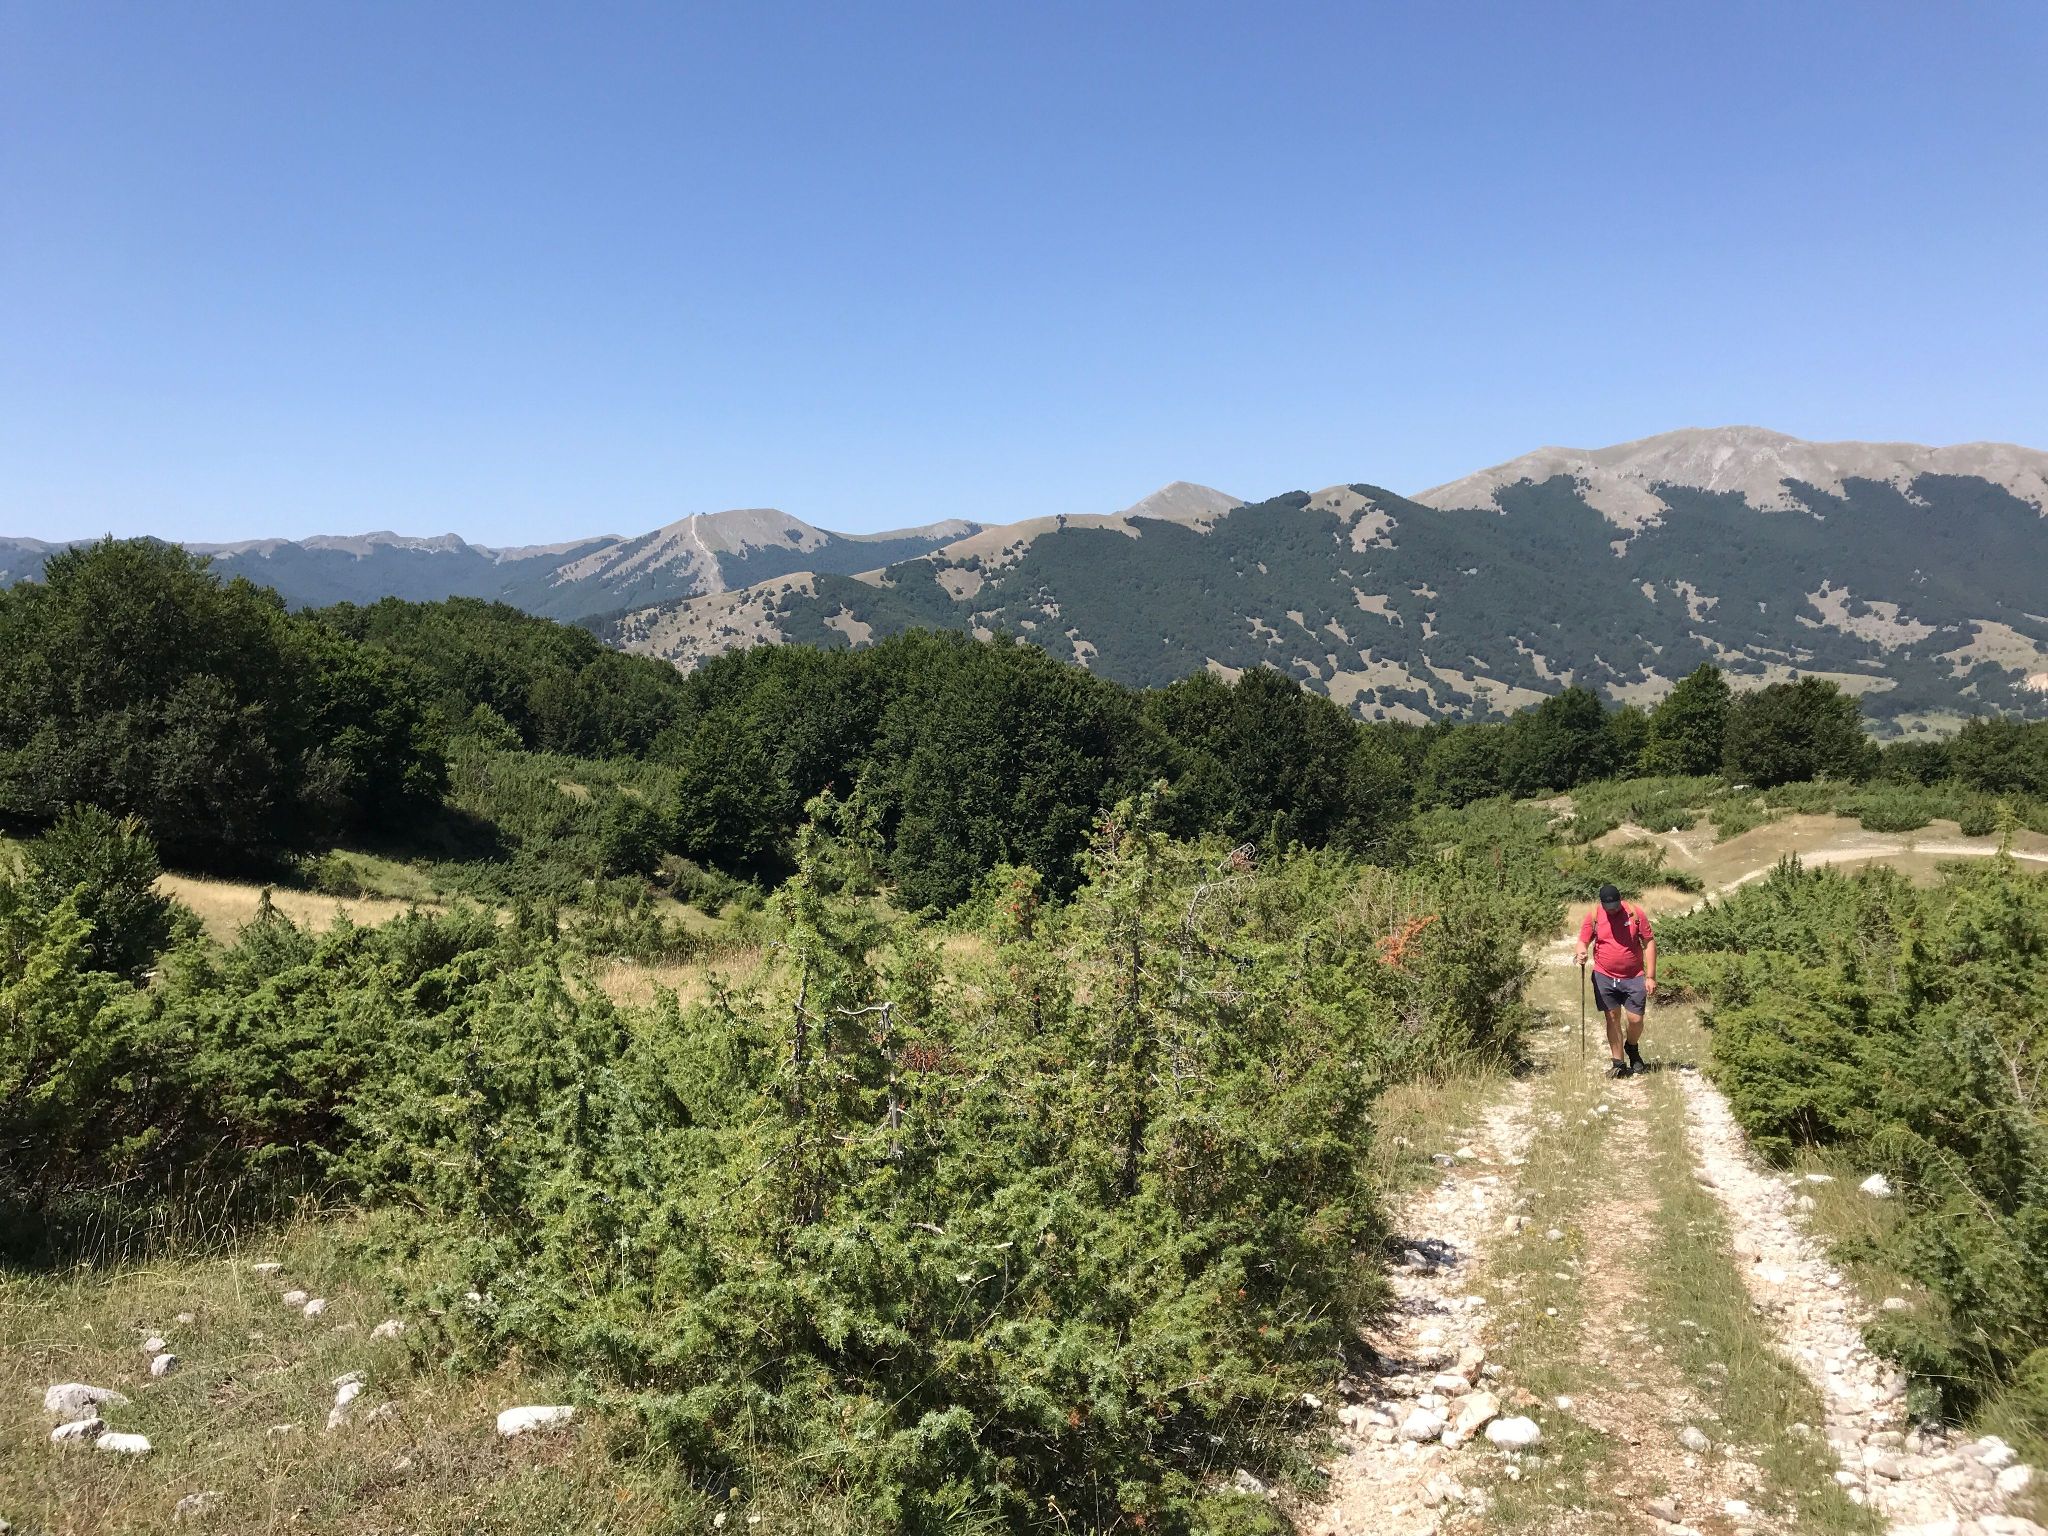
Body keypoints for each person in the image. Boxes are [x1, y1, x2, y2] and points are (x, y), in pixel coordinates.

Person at [1575, 882, 1655, 1078]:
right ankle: (1618, 1064)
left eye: (1615, 906)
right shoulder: (1594, 915)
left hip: (1634, 975)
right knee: (1611, 1017)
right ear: (1602, 903)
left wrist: (1651, 976)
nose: (1612, 910)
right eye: (1608, 907)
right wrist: (1581, 952)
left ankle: (1632, 1047)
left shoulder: (1634, 913)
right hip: (1604, 975)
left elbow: (1649, 942)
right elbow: (1583, 940)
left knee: (1635, 1020)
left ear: (1621, 900)